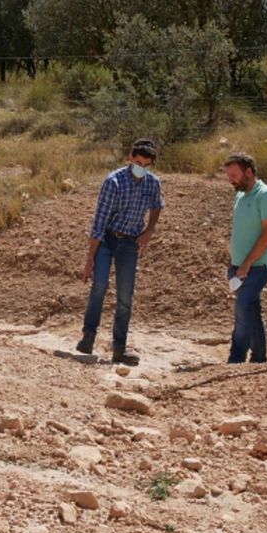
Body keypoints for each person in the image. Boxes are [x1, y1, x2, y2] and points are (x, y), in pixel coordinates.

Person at [76, 138, 164, 366]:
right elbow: (99, 222)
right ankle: (88, 336)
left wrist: (149, 231)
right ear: (129, 158)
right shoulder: (113, 181)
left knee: (125, 297)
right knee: (100, 286)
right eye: (138, 162)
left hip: (130, 244)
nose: (141, 168)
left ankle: (119, 349)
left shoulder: (152, 183)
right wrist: (89, 260)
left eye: (146, 164)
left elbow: (157, 206)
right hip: (107, 239)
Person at [225, 153, 267, 364]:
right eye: (229, 175)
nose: (231, 179)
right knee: (251, 310)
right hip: (240, 266)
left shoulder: (265, 195)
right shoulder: (240, 196)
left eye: (234, 175)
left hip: (258, 266)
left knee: (243, 307)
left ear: (249, 172)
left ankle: (236, 359)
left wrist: (247, 263)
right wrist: (235, 261)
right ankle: (259, 357)